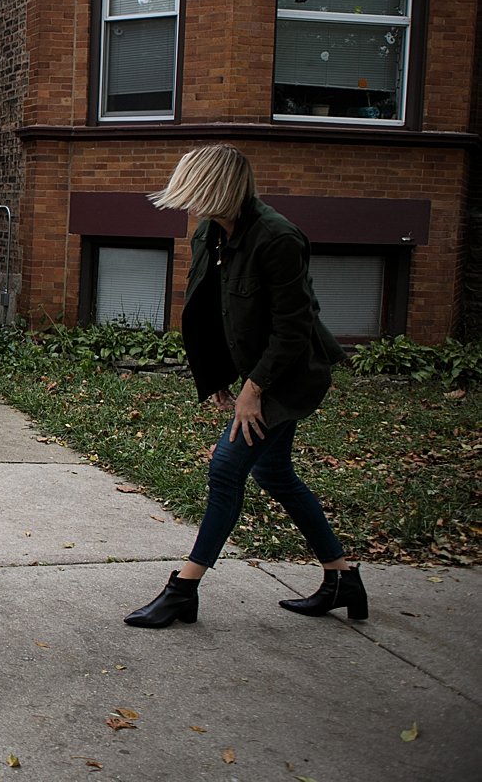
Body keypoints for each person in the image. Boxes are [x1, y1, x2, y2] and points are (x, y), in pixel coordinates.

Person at [125, 143, 363, 629]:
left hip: (289, 376)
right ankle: (342, 578)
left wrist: (253, 389)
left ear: (220, 188)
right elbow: (212, 308)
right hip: (256, 372)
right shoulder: (209, 234)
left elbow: (293, 329)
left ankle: (183, 589)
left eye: (196, 190)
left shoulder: (277, 239)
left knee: (226, 469)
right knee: (275, 475)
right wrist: (217, 375)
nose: (189, 202)